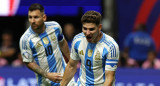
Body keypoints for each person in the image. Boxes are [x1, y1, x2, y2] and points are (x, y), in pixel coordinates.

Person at [19, 3, 75, 86]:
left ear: (44, 17)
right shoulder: (25, 39)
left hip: (65, 77)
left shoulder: (55, 27)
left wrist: (71, 62)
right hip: (45, 82)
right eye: (30, 17)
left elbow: (62, 42)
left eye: (36, 17)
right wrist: (47, 75)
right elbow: (29, 62)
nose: (32, 21)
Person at [61, 11, 119, 86]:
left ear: (99, 28)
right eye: (85, 28)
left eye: (91, 29)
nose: (87, 33)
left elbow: (109, 79)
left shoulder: (111, 46)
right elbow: (71, 66)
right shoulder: (77, 40)